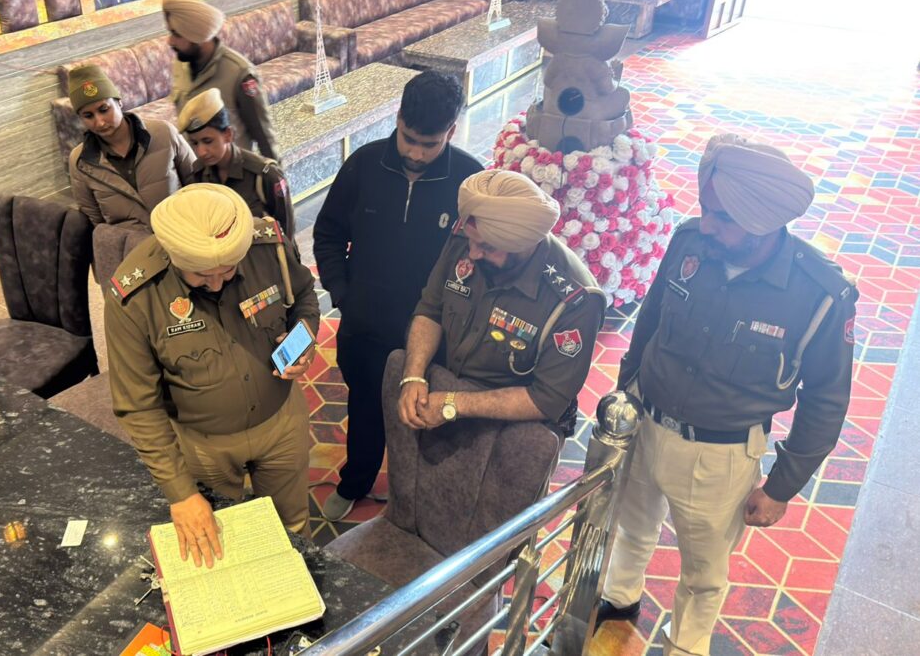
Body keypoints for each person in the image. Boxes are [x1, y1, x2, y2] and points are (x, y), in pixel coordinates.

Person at [597, 134, 857, 656]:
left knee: (703, 572)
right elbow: (650, 321)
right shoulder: (691, 242)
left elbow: (826, 400)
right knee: (631, 528)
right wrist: (626, 394)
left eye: (721, 217)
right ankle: (618, 603)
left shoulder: (820, 294)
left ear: (763, 222)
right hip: (646, 422)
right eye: (706, 209)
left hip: (718, 457)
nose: (707, 225)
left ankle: (686, 644)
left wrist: (782, 486)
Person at [104, 184, 319, 567]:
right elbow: (138, 406)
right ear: (173, 256)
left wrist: (304, 335)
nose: (218, 284)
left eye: (229, 270)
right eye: (202, 275)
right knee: (220, 541)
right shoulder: (136, 295)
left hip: (282, 421)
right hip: (203, 445)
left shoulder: (266, 246)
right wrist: (181, 493)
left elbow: (302, 296)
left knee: (293, 528)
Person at [312, 71, 483, 521]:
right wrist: (344, 294)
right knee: (365, 409)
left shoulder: (470, 181)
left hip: (436, 338)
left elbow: (483, 261)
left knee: (425, 420)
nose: (416, 153)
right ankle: (357, 480)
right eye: (409, 139)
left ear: (452, 130)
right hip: (364, 327)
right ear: (398, 117)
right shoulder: (364, 166)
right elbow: (328, 235)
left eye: (430, 144)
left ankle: (415, 501)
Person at [397, 170, 606, 456]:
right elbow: (431, 309)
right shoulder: (471, 234)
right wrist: (413, 375)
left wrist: (455, 404)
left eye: (486, 247)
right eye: (471, 243)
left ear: (524, 245)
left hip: (510, 431)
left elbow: (546, 399)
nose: (472, 254)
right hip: (441, 402)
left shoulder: (575, 300)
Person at [67, 65, 195, 230]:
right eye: (88, 116)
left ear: (119, 102)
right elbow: (95, 223)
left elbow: (196, 182)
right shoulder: (79, 161)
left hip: (183, 232)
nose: (99, 122)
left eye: (104, 110)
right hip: (132, 243)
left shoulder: (164, 134)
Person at [162, 0, 278, 161]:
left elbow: (264, 135)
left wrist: (275, 174)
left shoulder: (239, 73)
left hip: (234, 172)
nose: (170, 41)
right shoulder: (180, 64)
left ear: (198, 36)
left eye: (176, 34)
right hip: (197, 170)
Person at [178, 88, 295, 238]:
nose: (201, 152)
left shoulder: (265, 174)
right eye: (195, 143)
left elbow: (287, 231)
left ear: (228, 134)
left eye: (208, 141)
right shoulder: (198, 174)